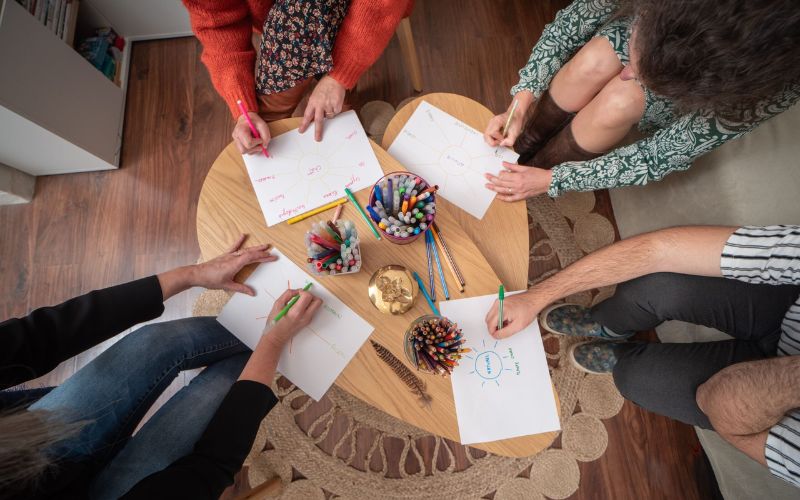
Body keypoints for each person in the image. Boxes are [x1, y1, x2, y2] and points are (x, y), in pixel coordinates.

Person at [0, 235, 323, 499]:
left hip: (24, 443)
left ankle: (275, 332)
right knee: (224, 385)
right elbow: (210, 465)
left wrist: (191, 275)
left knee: (152, 341)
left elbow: (42, 335)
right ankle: (290, 341)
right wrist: (272, 342)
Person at [484, 225, 800, 487]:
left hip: (755, 406)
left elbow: (714, 403)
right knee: (654, 286)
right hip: (786, 305)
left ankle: (625, 353)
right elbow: (661, 250)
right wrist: (536, 297)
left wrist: (793, 379)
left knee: (633, 377)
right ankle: (610, 324)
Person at [483, 0, 800, 201]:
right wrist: (521, 101)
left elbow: (657, 156)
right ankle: (522, 143)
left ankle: (538, 168)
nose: (626, 73)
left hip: (689, 88)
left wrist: (553, 180)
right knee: (592, 62)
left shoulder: (764, 86)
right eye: (634, 61)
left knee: (620, 100)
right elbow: (568, 28)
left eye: (643, 75)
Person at [183, 0, 413, 154]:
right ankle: (335, 112)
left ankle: (336, 103)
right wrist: (243, 109)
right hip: (282, 17)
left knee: (301, 15)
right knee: (296, 18)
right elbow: (218, 24)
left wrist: (340, 76)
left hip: (357, 7)